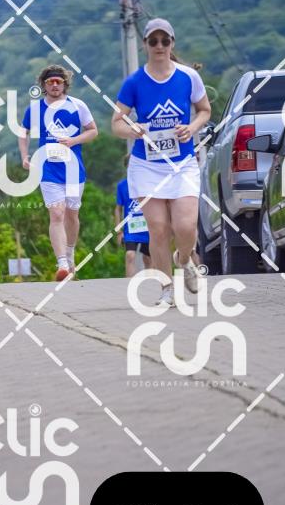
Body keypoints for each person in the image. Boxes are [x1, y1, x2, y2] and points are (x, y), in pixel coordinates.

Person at [111, 18, 211, 306]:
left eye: (164, 40)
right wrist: (134, 129)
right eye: (153, 41)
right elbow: (116, 123)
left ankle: (184, 258)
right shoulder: (134, 82)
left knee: (185, 227)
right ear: (145, 44)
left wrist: (191, 128)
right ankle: (167, 290)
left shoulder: (188, 77)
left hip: (182, 163)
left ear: (172, 43)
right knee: (157, 228)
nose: (159, 46)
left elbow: (204, 110)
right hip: (146, 165)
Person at [19, 64, 98, 281]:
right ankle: (62, 263)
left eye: (58, 82)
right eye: (50, 82)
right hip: (47, 169)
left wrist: (74, 140)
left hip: (73, 169)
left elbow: (93, 131)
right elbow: (23, 133)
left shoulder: (77, 105)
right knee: (56, 213)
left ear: (64, 84)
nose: (54, 85)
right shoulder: (35, 109)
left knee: (72, 214)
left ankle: (70, 253)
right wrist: (25, 156)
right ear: (43, 85)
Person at [114, 156, 151, 278]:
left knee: (148, 257)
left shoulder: (148, 184)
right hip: (130, 228)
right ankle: (129, 282)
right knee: (130, 254)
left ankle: (150, 282)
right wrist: (118, 231)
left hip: (147, 227)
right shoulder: (122, 186)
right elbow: (118, 209)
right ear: (127, 167)